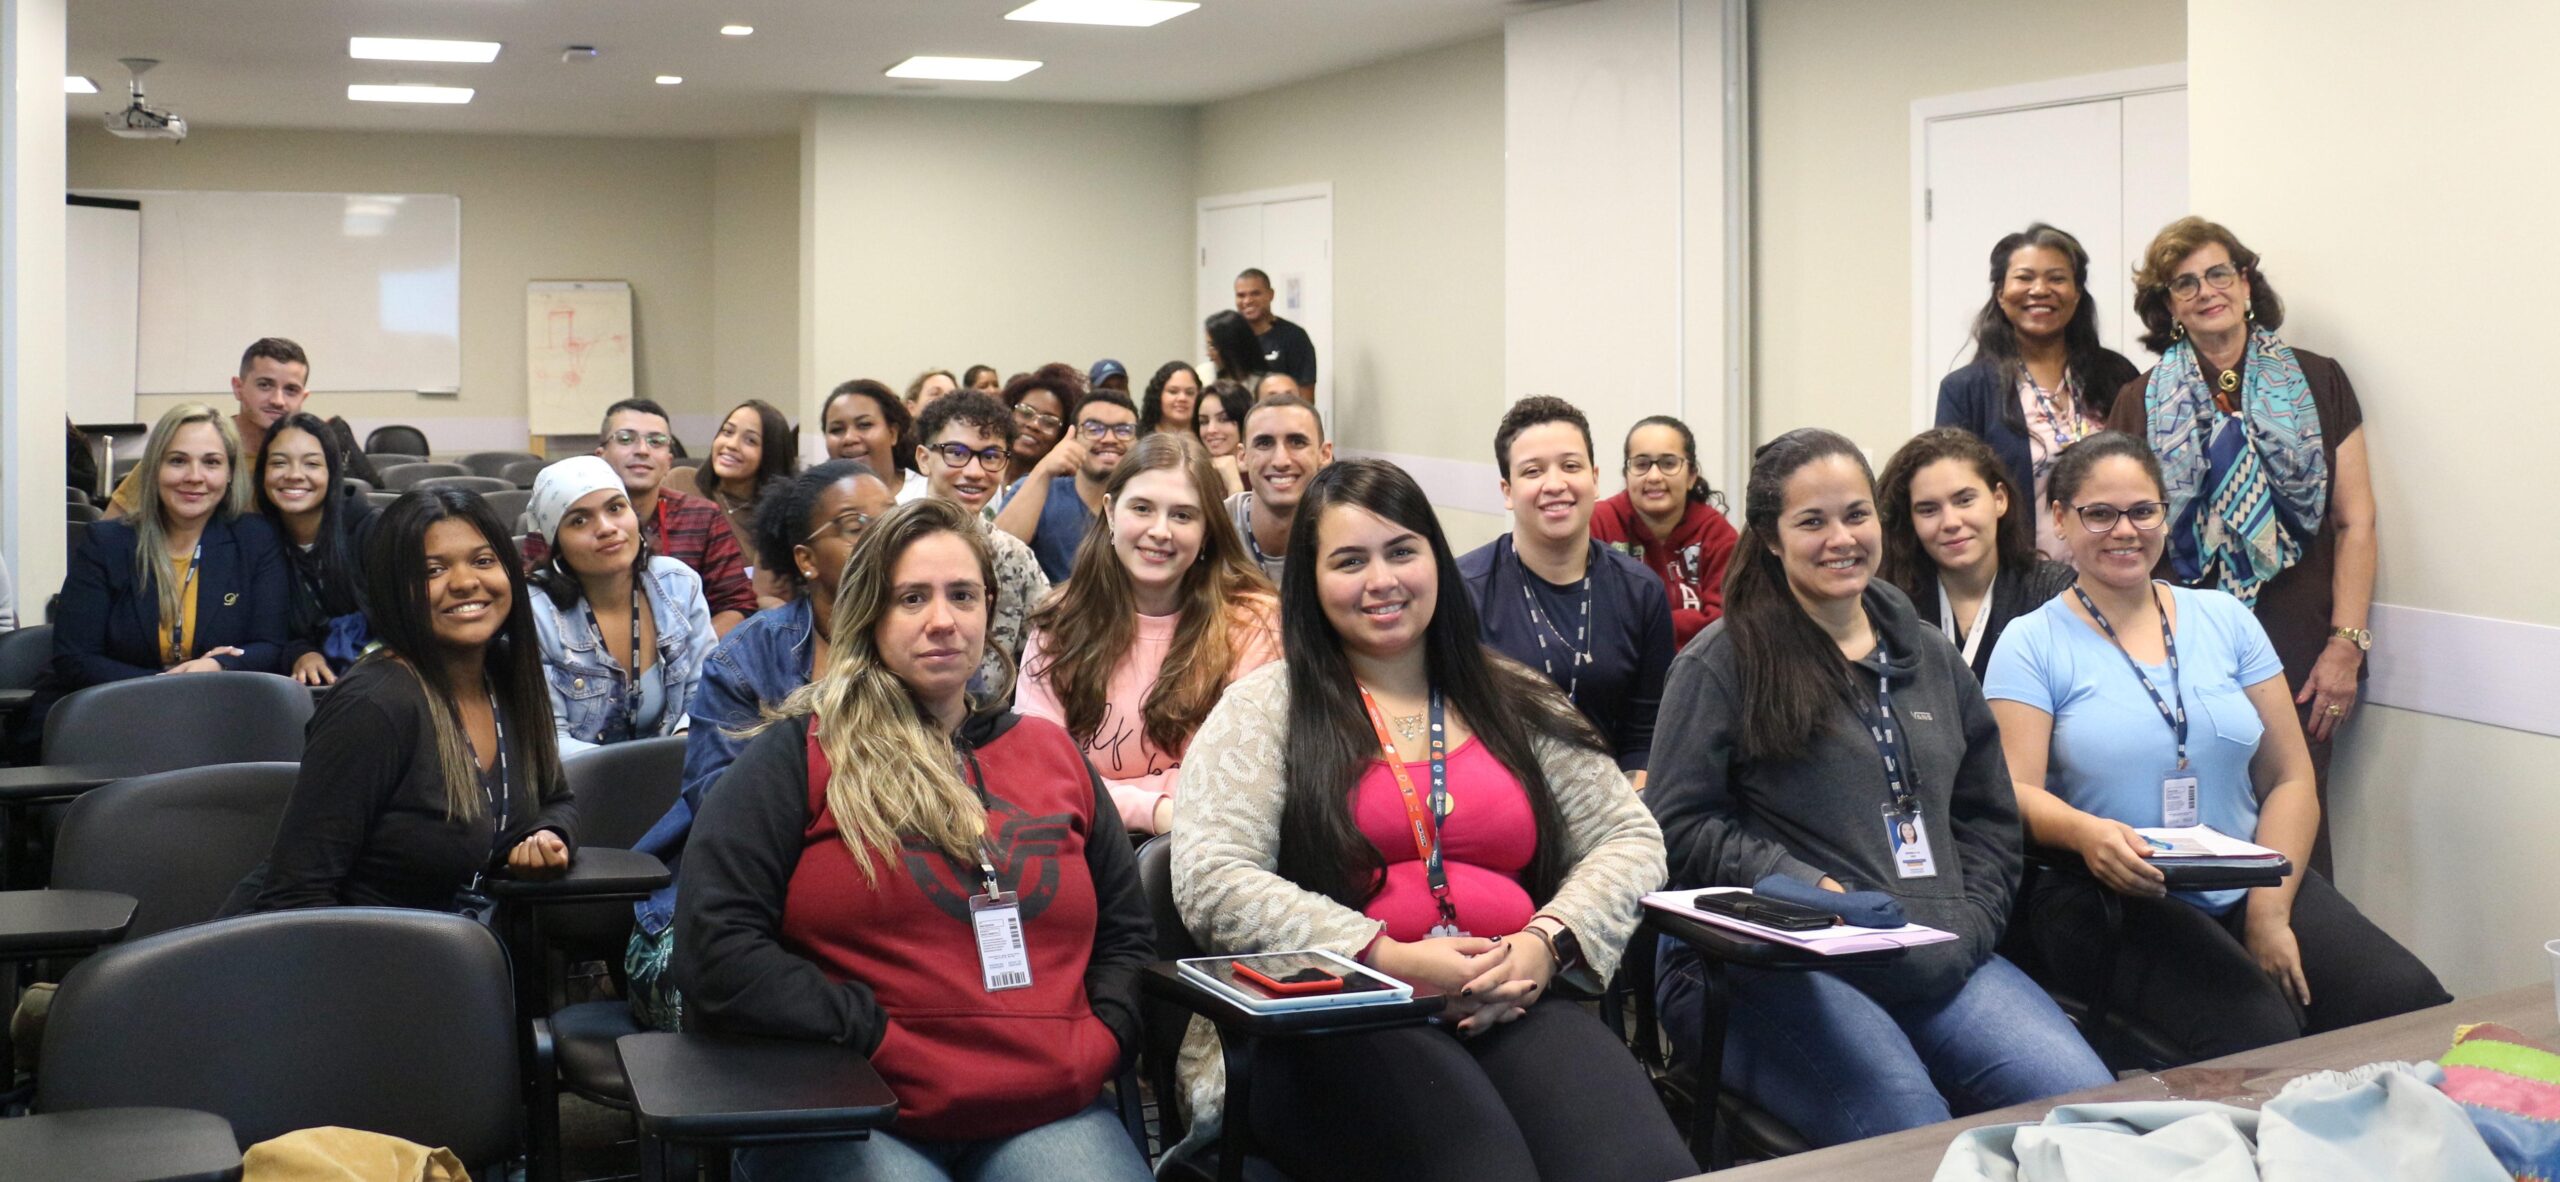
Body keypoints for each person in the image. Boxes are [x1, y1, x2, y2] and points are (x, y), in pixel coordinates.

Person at [1170, 459, 1691, 1182]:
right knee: (1485, 1169)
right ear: (1311, 583)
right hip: (1332, 1020)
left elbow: (1628, 836)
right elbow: (1210, 878)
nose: (1381, 580)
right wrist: (1390, 959)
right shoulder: (1266, 709)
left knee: (1640, 1166)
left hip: (1511, 1000)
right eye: (1349, 561)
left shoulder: (1511, 696)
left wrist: (1545, 943)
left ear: (1436, 562)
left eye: (1402, 551)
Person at [1646, 428, 2111, 1147]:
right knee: (1913, 1132)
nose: (1842, 538)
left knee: (2088, 1114)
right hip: (1772, 963)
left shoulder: (1926, 653)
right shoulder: (1724, 662)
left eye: (1856, 515)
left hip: (1936, 952)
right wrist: (1803, 890)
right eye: (1813, 521)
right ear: (1770, 538)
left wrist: (1973, 924)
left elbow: (1985, 814)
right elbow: (1680, 827)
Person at [675, 498, 1154, 1182]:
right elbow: (715, 945)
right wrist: (864, 1029)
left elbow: (1126, 935)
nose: (942, 621)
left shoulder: (1051, 752)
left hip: (1048, 1101)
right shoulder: (800, 754)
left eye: (962, 595)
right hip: (854, 1100)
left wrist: (1103, 1035)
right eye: (911, 598)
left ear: (990, 609)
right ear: (870, 615)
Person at [1984, 431, 2445, 1061]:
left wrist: (2270, 912)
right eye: (2099, 513)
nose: (2125, 530)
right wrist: (2089, 834)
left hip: (2246, 874)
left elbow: (2289, 778)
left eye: (2143, 511)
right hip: (2112, 891)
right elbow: (2015, 791)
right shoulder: (2031, 642)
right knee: (2260, 1036)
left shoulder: (2224, 618)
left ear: (2164, 515)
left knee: (2404, 1000)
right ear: (2061, 519)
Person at [2109, 217, 2377, 880]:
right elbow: (2120, 542)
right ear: (2167, 305)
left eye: (2218, 274)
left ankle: (2302, 968)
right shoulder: (2138, 402)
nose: (2206, 292)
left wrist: (2347, 643)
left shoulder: (2320, 381)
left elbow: (2356, 522)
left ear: (2246, 282)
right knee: (2194, 828)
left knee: (2300, 825)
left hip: (2300, 647)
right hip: (2182, 650)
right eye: (2184, 283)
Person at [625, 460, 895, 1031]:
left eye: (891, 523)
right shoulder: (747, 658)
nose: (882, 542)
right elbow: (723, 811)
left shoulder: (925, 648)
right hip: (738, 908)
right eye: (855, 527)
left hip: (883, 904)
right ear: (805, 560)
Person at [228, 488, 576, 913]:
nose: (466, 582)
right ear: (395, 590)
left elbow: (557, 798)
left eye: (483, 561)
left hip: (454, 953)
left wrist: (548, 835)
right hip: (351, 960)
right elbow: (296, 894)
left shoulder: (504, 670)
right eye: (432, 570)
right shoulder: (374, 705)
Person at [1017, 434, 1279, 836]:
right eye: (1142, 508)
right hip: (1083, 841)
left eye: (1183, 516)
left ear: (1208, 529)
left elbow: (1239, 778)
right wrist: (1156, 812)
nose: (1160, 531)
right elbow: (1040, 770)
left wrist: (1107, 794)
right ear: (1110, 511)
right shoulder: (1059, 622)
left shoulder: (1253, 621)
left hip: (1214, 846)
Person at [26, 403, 291, 754]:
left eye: (211, 462)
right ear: (153, 469)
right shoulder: (106, 543)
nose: (194, 476)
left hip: (213, 719)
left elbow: (270, 645)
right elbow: (75, 657)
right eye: (178, 460)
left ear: (229, 474)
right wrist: (164, 686)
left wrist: (217, 664)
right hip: (109, 719)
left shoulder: (256, 540)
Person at [1460, 397, 1674, 782]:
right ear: (1507, 491)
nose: (1555, 484)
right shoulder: (1464, 591)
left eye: (1570, 466)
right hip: (1501, 797)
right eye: (1533, 471)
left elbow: (1645, 736)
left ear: (1594, 479)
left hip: (1612, 807)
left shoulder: (1641, 592)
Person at [1934, 224, 2141, 562]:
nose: (2040, 289)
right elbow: (1952, 496)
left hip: (2113, 568)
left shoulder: (2116, 375)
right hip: (2018, 579)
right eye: (2025, 278)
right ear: (2001, 293)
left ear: (2077, 293)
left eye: (2057, 278)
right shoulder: (1966, 391)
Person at [525, 457, 716, 756]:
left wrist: (683, 742)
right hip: (582, 788)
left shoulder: (678, 584)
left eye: (615, 508)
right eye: (579, 520)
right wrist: (632, 777)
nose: (606, 528)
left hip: (675, 772)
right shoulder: (534, 612)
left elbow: (706, 695)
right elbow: (550, 741)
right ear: (557, 544)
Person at [521, 400, 755, 636]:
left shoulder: (703, 517)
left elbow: (737, 604)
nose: (643, 450)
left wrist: (688, 647)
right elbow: (532, 595)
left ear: (668, 462)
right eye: (625, 439)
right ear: (600, 456)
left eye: (656, 441)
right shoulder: (555, 518)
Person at [1877, 428, 2076, 683]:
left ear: (1999, 499)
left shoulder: (2051, 594)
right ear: (1911, 520)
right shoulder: (1891, 605)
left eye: (1964, 500)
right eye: (1928, 510)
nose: (1950, 522)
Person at [105, 338, 380, 517]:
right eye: (265, 385)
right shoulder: (191, 448)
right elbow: (111, 526)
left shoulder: (310, 462)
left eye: (291, 390)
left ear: (303, 399)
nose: (277, 400)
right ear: (238, 388)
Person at [914, 391, 1051, 686]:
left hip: (991, 721)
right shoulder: (890, 546)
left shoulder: (1014, 557)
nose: (974, 472)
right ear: (924, 459)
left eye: (991, 456)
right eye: (956, 453)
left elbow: (1047, 660)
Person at [1590, 414, 1738, 652]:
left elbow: (1726, 625)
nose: (1654, 477)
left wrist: (1641, 627)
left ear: (1691, 476)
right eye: (1641, 464)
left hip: (1697, 672)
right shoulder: (1596, 525)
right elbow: (1594, 620)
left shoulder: (1718, 535)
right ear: (1626, 475)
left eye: (1668, 463)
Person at [256, 411, 378, 686]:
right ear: (263, 472)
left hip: (383, 676)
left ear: (332, 472)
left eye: (311, 464)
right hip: (310, 687)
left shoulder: (373, 530)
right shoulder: (259, 542)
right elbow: (266, 630)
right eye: (279, 463)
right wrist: (301, 653)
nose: (294, 475)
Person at [994, 387, 1139, 584]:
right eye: (1094, 428)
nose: (1109, 439)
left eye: (1123, 430)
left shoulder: (1146, 504)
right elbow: (996, 558)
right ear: (1072, 436)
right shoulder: (1040, 488)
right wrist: (1044, 470)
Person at [1227, 393, 1332, 582]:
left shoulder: (1344, 530)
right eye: (1264, 443)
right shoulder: (1213, 529)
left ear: (1324, 455)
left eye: (1297, 442)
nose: (1281, 461)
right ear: (1242, 457)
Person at [821, 378, 928, 504]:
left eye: (864, 425)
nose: (849, 438)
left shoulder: (927, 494)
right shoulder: (819, 502)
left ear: (893, 433)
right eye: (837, 429)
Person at [1234, 267, 1318, 399]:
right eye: (1241, 295)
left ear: (1271, 294)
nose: (1247, 301)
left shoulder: (1294, 337)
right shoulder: (1232, 337)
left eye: (1255, 294)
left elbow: (1305, 396)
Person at [998, 364, 1079, 489]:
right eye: (1026, 413)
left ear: (1062, 435)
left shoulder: (1061, 493)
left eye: (1049, 422)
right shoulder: (980, 471)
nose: (1033, 425)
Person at [1195, 381, 1251, 497]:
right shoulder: (1194, 475)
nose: (1211, 430)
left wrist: (1234, 485)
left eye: (1224, 419)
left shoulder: (1259, 474)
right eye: (1203, 422)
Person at [1203, 309, 1267, 390]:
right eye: (1208, 345)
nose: (1208, 353)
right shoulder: (1205, 376)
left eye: (1213, 346)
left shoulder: (1265, 384)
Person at [1139, 360, 1201, 437]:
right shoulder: (1139, 438)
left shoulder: (1207, 438)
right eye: (1173, 392)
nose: (1182, 398)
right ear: (1157, 395)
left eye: (1189, 393)